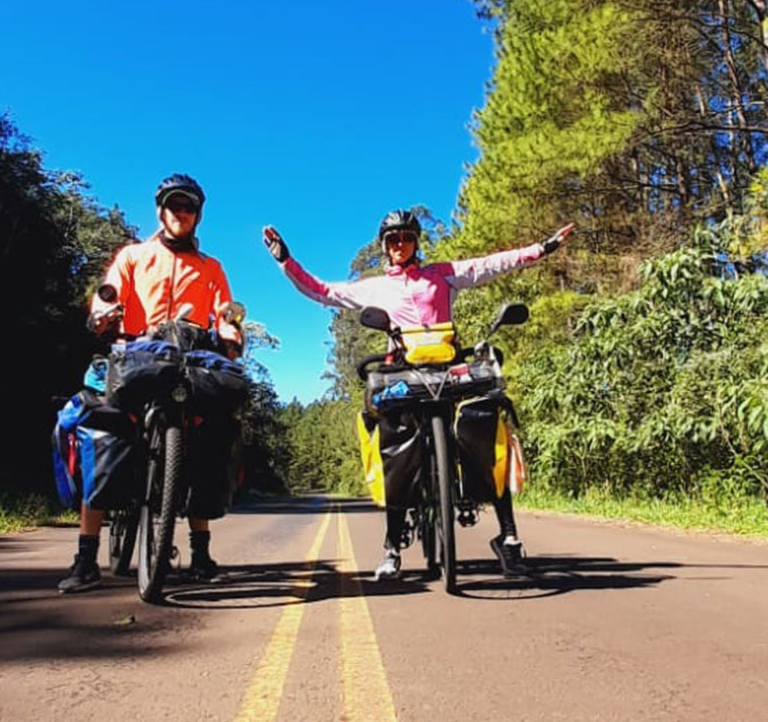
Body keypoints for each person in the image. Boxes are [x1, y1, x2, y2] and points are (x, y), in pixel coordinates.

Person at [262, 210, 574, 580]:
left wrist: (542, 248)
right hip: (403, 373)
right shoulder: (375, 287)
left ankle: (508, 537)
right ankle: (392, 547)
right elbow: (324, 291)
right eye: (392, 239)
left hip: (448, 368)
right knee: (397, 450)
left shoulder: (442, 274)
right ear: (384, 246)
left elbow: (491, 264)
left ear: (416, 242)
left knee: (484, 432)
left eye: (406, 238)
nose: (400, 245)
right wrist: (285, 261)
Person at [57, 173, 244, 594]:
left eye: (189, 207)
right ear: (161, 211)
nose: (182, 213)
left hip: (189, 358)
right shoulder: (134, 256)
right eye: (175, 205)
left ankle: (200, 553)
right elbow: (109, 293)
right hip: (137, 354)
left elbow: (224, 314)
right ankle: (86, 558)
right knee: (103, 431)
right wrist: (102, 313)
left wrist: (230, 335)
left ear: (198, 216)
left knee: (207, 438)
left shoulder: (211, 267)